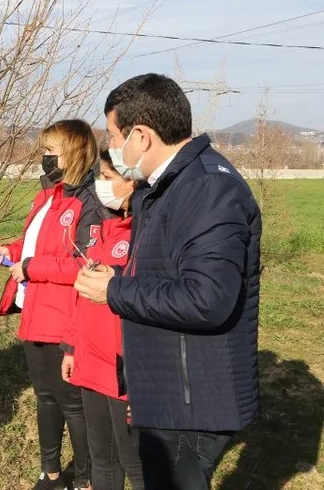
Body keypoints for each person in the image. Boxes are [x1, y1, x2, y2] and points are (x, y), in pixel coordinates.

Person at [74, 74, 261, 490]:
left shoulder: (207, 188)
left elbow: (207, 298)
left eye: (114, 135)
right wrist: (119, 276)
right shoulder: (170, 186)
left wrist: (113, 291)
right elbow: (170, 274)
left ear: (141, 135)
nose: (112, 148)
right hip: (172, 389)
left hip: (191, 402)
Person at [0, 119, 105, 490]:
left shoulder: (90, 201)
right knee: (45, 398)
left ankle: (85, 480)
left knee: (73, 404)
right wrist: (13, 252)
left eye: (50, 153)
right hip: (35, 311)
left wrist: (31, 267)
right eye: (43, 152)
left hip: (65, 317)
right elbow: (37, 245)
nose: (44, 160)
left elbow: (84, 263)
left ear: (73, 152)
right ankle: (51, 473)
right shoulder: (47, 195)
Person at [61, 150, 143, 490]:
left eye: (108, 179)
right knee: (102, 456)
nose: (101, 187)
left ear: (134, 182)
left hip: (124, 367)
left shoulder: (144, 234)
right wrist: (71, 346)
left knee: (134, 461)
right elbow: (83, 297)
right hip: (91, 359)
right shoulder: (105, 230)